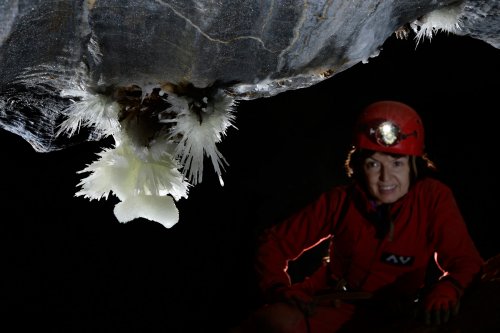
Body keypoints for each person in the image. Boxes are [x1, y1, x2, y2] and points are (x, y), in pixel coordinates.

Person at [231, 100, 484, 333]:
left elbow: (465, 260)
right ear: (360, 166)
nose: (386, 178)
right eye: (374, 164)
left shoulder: (432, 199)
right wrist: (278, 288)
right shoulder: (342, 201)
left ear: (414, 165)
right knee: (271, 323)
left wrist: (449, 288)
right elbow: (274, 242)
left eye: (397, 163)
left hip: (395, 313)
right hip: (329, 302)